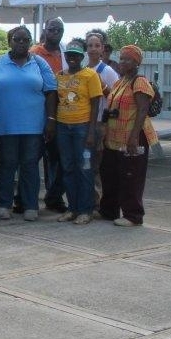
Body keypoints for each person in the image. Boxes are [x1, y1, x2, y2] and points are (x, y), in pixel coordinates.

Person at [0, 26, 57, 222]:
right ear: (9, 41)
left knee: (29, 166)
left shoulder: (39, 63)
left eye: (25, 40)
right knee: (7, 165)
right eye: (17, 39)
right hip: (5, 125)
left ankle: (30, 205)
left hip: (34, 126)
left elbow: (51, 91)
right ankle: (4, 205)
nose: (21, 43)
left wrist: (51, 120)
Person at [98, 45, 159, 227]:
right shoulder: (120, 81)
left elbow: (142, 110)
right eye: (122, 58)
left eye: (128, 59)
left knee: (131, 176)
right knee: (110, 174)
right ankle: (109, 211)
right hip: (114, 137)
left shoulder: (139, 82)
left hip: (132, 136)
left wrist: (133, 138)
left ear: (136, 63)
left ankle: (133, 215)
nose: (123, 62)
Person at [54, 39, 102, 225]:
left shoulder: (90, 75)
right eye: (70, 55)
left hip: (82, 127)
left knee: (85, 168)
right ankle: (72, 207)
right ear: (66, 57)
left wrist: (91, 132)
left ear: (82, 57)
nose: (73, 58)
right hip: (63, 127)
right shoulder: (60, 76)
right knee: (67, 167)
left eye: (76, 55)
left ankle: (85, 209)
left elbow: (96, 103)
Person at [30, 17, 68, 214]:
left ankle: (53, 196)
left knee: (58, 158)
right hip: (38, 113)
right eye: (52, 29)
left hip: (61, 113)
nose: (55, 32)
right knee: (32, 157)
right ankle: (26, 198)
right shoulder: (35, 53)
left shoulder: (65, 53)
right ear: (45, 30)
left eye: (59, 29)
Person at [85, 31, 119, 207]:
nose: (93, 49)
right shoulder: (83, 70)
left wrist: (102, 85)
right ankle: (89, 200)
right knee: (86, 164)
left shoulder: (107, 71)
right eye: (90, 45)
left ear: (103, 49)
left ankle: (99, 203)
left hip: (100, 122)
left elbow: (116, 98)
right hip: (85, 122)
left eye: (96, 45)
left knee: (97, 165)